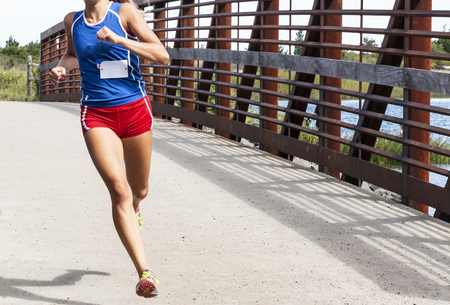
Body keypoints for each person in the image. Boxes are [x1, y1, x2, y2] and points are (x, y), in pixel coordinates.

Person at [49, 0, 169, 298]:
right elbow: (72, 55)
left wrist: (119, 39)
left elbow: (161, 55)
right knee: (119, 190)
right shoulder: (72, 22)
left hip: (134, 110)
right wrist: (62, 67)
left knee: (139, 190)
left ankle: (136, 205)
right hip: (97, 113)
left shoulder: (124, 13)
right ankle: (145, 273)